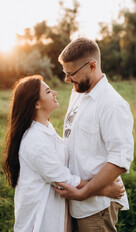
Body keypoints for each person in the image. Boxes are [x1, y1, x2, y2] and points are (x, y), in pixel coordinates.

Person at [3, 75, 124, 232]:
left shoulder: (46, 127)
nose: (55, 93)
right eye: (48, 92)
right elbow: (63, 179)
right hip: (41, 219)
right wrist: (105, 190)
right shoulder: (35, 141)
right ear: (37, 104)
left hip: (57, 213)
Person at [55, 37, 134, 232]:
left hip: (96, 207)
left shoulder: (112, 105)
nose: (67, 79)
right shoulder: (78, 92)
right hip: (76, 201)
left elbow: (119, 159)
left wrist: (85, 193)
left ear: (92, 65)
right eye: (65, 73)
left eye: (71, 73)